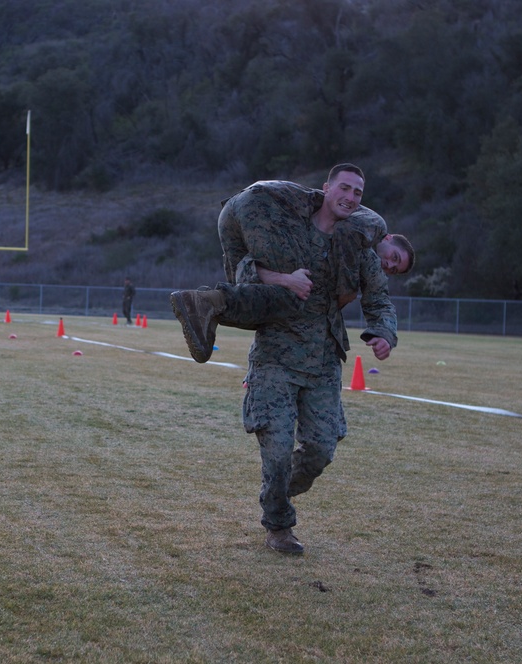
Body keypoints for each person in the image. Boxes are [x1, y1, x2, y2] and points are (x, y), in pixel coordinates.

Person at [174, 164, 398, 555]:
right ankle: (279, 526)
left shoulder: (356, 245)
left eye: (358, 193)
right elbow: (247, 271)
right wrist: (285, 279)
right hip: (275, 356)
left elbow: (378, 297)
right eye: (344, 188)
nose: (350, 197)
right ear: (325, 189)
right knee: (276, 449)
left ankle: (274, 490)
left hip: (324, 361)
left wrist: (383, 332)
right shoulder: (284, 227)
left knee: (321, 450)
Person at [171, 182, 414, 363]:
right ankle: (207, 303)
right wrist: (346, 290)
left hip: (234, 209)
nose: (388, 265)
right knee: (291, 295)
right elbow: (348, 233)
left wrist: (384, 334)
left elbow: (380, 300)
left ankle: (207, 307)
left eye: (394, 269)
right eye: (394, 257)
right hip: (266, 210)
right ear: (390, 239)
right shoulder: (372, 227)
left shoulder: (350, 237)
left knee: (251, 288)